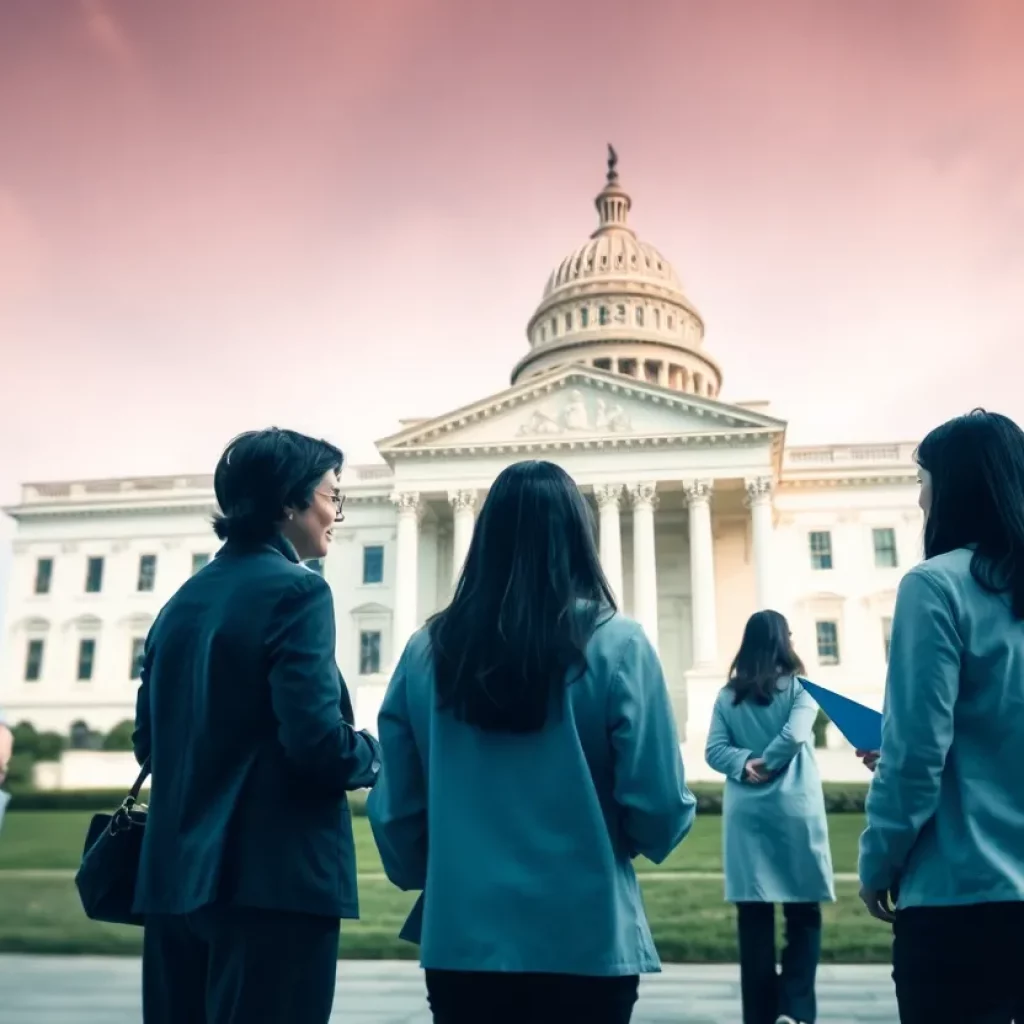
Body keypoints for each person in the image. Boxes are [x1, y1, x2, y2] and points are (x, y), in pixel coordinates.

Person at [367, 460, 696, 1024]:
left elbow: (396, 810)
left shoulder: (426, 652)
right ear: (579, 536)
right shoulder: (619, 644)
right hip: (586, 937)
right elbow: (659, 807)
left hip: (464, 936)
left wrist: (445, 868)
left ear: (486, 536)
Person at [132, 428, 382, 1024]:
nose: (337, 514)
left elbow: (149, 743)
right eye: (332, 496)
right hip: (274, 887)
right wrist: (374, 753)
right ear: (289, 502)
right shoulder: (298, 592)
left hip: (173, 885)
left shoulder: (181, 603)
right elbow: (316, 743)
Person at [858, 410, 1024, 1023]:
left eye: (923, 478)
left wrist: (879, 861)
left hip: (963, 900)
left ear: (955, 487)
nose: (919, 496)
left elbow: (918, 757)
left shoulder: (936, 585)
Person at [705, 610, 834, 1024]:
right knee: (804, 912)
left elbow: (713, 749)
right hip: (794, 808)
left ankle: (759, 1015)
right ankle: (795, 1010)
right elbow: (797, 735)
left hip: (748, 814)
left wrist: (746, 764)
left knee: (754, 916)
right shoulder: (802, 689)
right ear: (784, 641)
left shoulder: (728, 696)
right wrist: (774, 761)